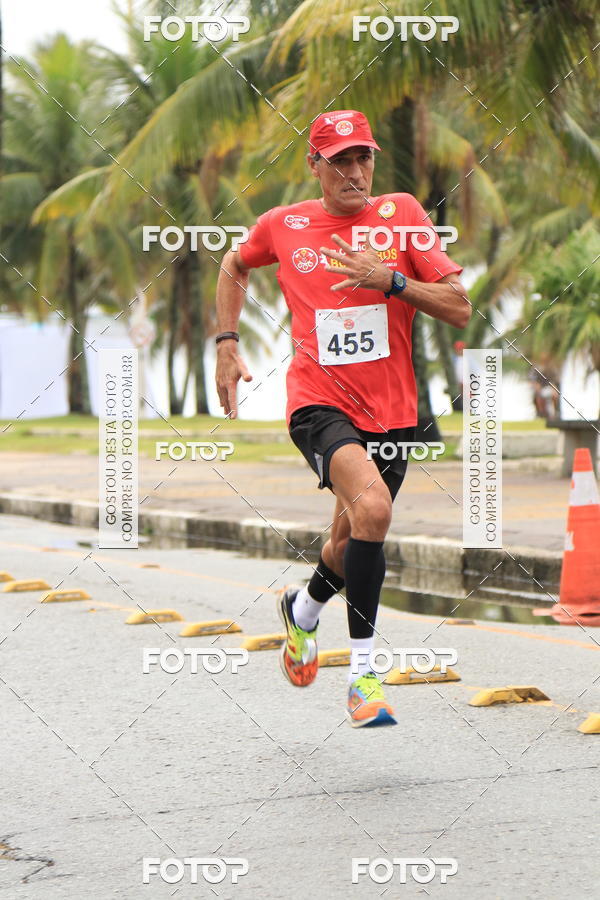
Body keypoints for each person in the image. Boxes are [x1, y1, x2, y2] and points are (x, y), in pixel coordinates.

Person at [215, 110, 470, 727]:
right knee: (376, 511)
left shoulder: (402, 215)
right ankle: (363, 677)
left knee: (348, 538)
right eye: (341, 160)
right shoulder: (286, 225)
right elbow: (234, 264)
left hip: (391, 414)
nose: (356, 171)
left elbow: (460, 308)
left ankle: (301, 611)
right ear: (316, 165)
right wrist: (227, 341)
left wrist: (392, 281)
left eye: (365, 158)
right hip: (317, 403)